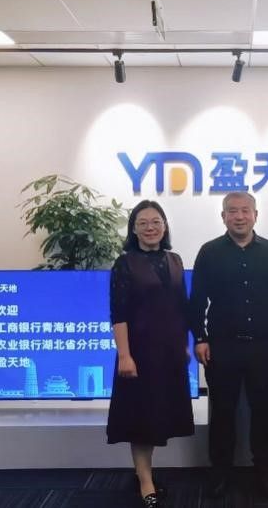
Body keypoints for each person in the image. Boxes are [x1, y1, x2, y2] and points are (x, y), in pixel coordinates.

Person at [190, 192, 268, 499]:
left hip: (264, 346)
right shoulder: (209, 252)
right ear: (223, 217)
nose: (239, 216)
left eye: (245, 211)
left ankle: (264, 469)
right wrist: (200, 337)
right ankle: (221, 471)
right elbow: (197, 299)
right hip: (222, 347)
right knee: (223, 413)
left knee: (264, 412)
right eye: (232, 211)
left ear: (255, 215)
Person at [106, 200, 195, 508]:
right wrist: (124, 355)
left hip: (170, 353)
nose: (150, 228)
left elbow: (181, 307)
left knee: (160, 416)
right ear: (134, 229)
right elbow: (118, 313)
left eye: (156, 221)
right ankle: (145, 481)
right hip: (140, 353)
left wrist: (184, 345)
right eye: (143, 223)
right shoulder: (125, 263)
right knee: (141, 419)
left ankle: (146, 474)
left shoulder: (175, 260)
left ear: (165, 226)